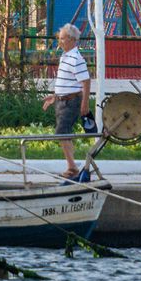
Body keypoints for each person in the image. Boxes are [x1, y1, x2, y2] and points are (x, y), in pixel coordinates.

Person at [48, 24, 92, 180]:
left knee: (62, 132)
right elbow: (64, 81)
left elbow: (85, 81)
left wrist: (84, 104)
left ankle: (72, 166)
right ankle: (71, 165)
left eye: (62, 39)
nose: (59, 42)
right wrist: (54, 96)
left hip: (71, 101)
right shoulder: (65, 56)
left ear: (72, 40)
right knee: (64, 133)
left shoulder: (75, 58)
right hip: (61, 101)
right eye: (59, 38)